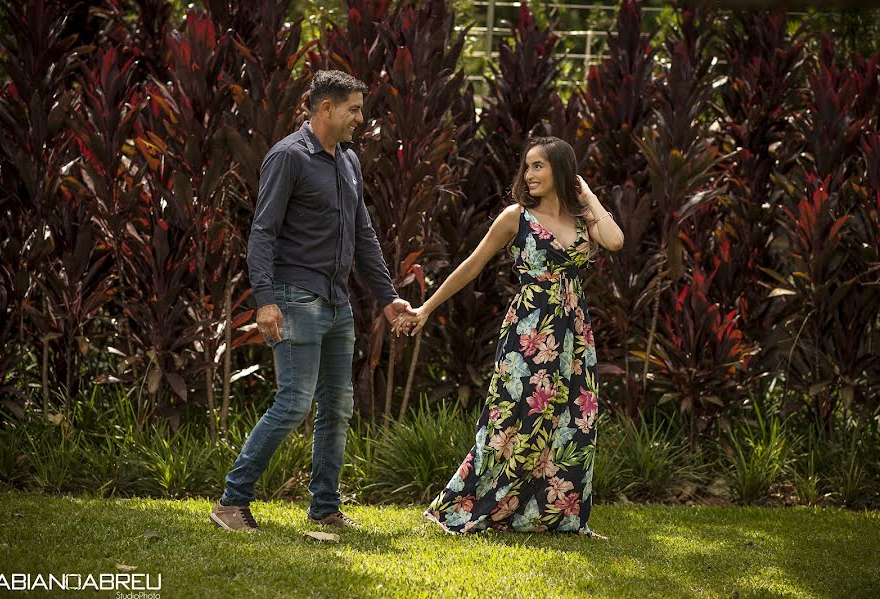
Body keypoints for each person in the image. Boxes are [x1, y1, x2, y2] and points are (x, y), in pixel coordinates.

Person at [210, 70, 415, 532]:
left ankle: (324, 506)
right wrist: (265, 300)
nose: (361, 118)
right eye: (354, 110)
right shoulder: (288, 157)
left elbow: (363, 234)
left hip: (337, 303)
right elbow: (262, 232)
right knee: (294, 402)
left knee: (336, 406)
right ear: (327, 109)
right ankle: (231, 502)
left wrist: (387, 298)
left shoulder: (348, 161)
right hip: (294, 296)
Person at [395, 136, 624, 537]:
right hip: (531, 333)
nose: (529, 174)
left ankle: (556, 514)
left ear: (561, 170)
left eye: (539, 166)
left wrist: (585, 192)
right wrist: (426, 308)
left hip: (574, 337)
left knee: (572, 420)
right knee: (510, 419)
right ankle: (463, 505)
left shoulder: (581, 218)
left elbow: (615, 240)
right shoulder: (516, 217)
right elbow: (471, 266)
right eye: (527, 166)